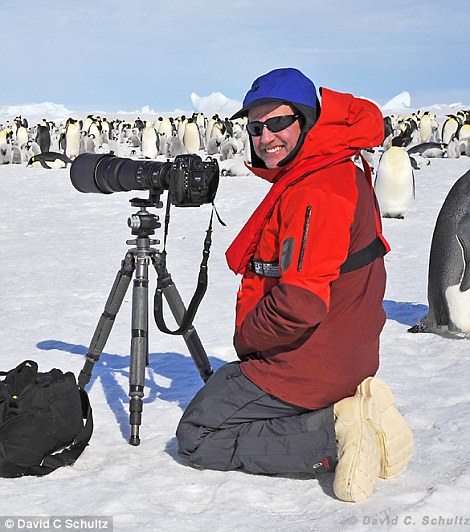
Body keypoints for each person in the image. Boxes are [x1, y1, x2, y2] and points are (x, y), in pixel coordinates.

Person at [176, 67, 413, 502]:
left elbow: (300, 304)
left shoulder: (316, 189)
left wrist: (247, 337)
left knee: (197, 434)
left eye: (279, 122)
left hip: (310, 363)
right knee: (222, 390)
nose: (265, 137)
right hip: (345, 349)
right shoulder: (333, 165)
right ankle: (352, 410)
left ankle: (337, 433)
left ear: (305, 120)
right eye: (255, 127)